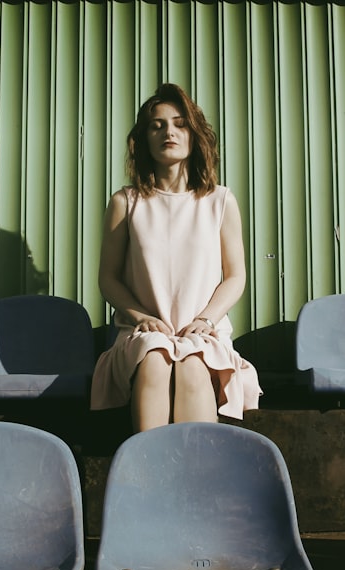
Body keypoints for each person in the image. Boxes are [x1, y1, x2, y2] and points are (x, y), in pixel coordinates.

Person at [90, 83, 261, 431]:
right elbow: (108, 279)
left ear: (194, 134)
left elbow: (235, 276)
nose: (168, 131)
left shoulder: (220, 201)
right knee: (155, 357)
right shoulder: (126, 202)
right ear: (144, 139)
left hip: (203, 330)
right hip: (141, 331)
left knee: (194, 363)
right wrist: (142, 317)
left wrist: (207, 320)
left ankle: (195, 478)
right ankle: (147, 477)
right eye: (157, 125)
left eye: (179, 123)